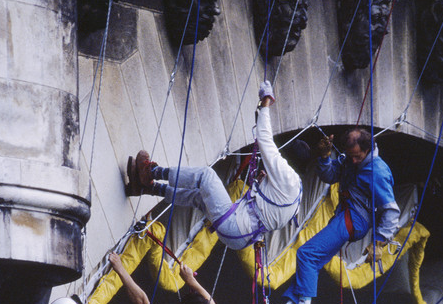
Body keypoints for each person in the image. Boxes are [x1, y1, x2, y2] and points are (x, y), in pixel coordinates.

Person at [125, 80, 310, 250]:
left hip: (234, 225)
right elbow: (269, 212)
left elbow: (265, 140)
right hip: (240, 238)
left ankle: (151, 173)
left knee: (206, 176)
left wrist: (266, 103)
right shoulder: (297, 196)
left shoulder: (287, 176)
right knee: (198, 198)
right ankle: (148, 189)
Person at [267, 127, 399, 304]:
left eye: (357, 157)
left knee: (306, 253)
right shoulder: (349, 159)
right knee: (313, 260)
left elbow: (391, 211)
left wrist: (378, 242)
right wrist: (325, 156)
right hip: (344, 217)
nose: (353, 161)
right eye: (350, 156)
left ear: (368, 149)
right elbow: (330, 176)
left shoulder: (377, 172)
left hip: (354, 220)